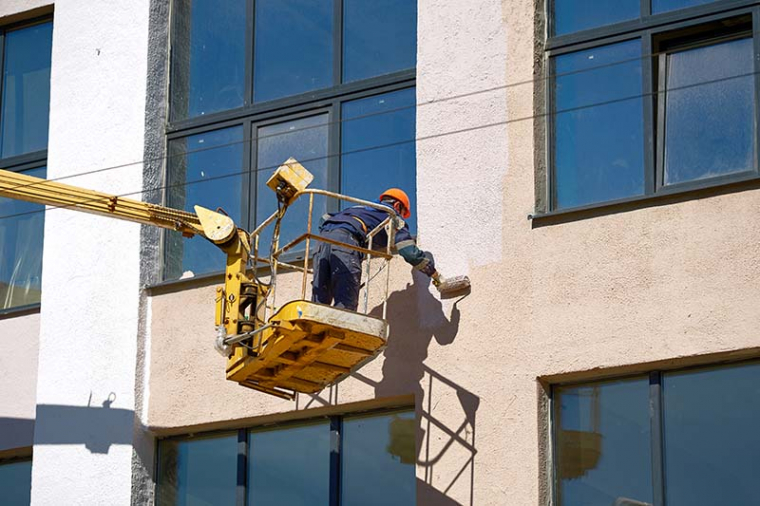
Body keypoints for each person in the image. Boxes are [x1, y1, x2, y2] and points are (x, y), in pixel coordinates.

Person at [311, 188, 437, 311]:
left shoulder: (360, 208)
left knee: (318, 304)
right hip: (346, 242)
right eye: (403, 213)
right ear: (397, 205)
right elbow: (409, 252)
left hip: (321, 242)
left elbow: (325, 218)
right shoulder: (392, 216)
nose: (402, 217)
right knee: (346, 304)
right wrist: (433, 273)